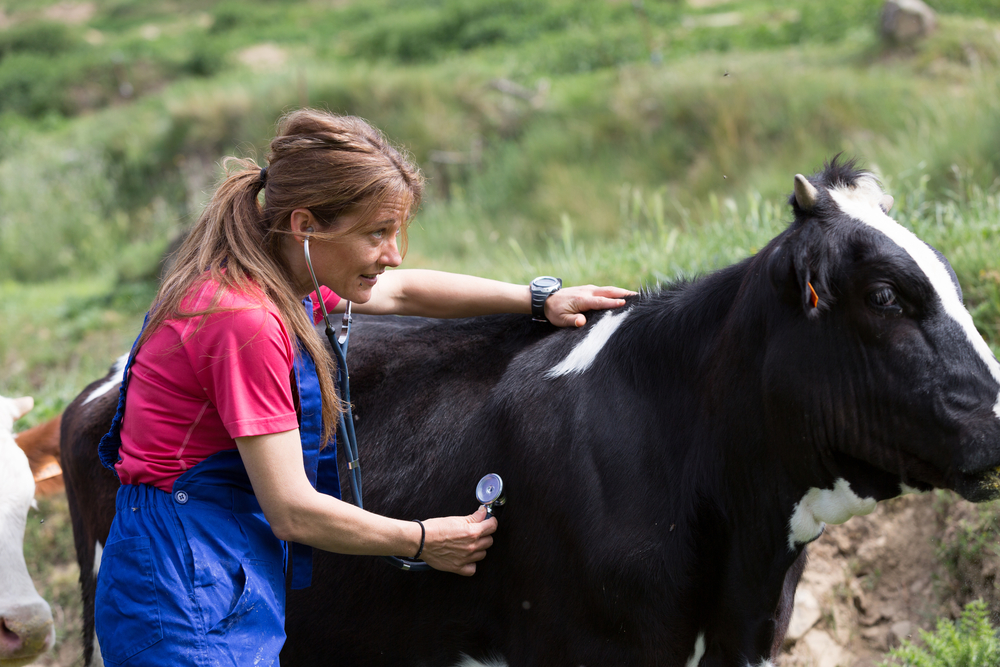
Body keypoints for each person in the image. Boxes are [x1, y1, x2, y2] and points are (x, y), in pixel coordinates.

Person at [93, 108, 634, 666]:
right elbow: (292, 510)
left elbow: (399, 292)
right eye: (376, 233)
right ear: (306, 225)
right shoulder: (243, 323)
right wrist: (422, 540)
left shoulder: (279, 281)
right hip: (182, 583)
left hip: (216, 564)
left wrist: (537, 298)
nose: (393, 253)